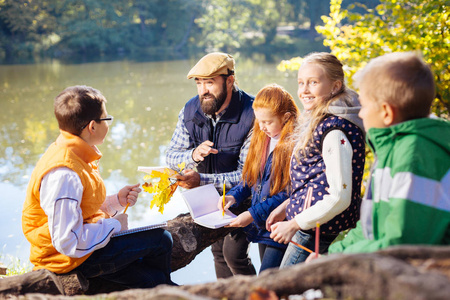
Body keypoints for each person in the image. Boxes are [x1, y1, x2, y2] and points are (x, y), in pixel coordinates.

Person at [22, 85, 175, 288]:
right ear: (92, 126)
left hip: (77, 250)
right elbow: (68, 242)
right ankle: (162, 287)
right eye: (107, 118)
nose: (109, 124)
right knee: (161, 240)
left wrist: (115, 202)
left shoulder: (75, 151)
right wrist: (115, 225)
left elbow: (80, 208)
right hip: (63, 258)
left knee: (150, 279)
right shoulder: (64, 174)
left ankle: (159, 286)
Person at [310, 52, 449, 257]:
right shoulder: (391, 148)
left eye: (364, 105)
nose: (361, 113)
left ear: (386, 112)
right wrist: (333, 254)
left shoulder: (415, 156)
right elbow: (369, 226)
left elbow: (402, 244)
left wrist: (341, 259)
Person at [267, 52, 366, 267]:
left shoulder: (335, 130)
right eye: (301, 83)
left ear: (335, 86)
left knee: (287, 290)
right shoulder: (319, 121)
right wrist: (287, 205)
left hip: (319, 232)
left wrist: (293, 223)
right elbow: (314, 180)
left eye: (313, 82)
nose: (304, 90)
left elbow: (340, 197)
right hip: (310, 226)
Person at [166, 52, 256, 278]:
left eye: (210, 82)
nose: (203, 90)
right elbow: (171, 156)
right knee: (218, 254)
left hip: (245, 198)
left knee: (234, 254)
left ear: (230, 80)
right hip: (207, 200)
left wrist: (201, 180)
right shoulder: (189, 110)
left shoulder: (253, 113)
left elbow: (249, 175)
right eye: (199, 83)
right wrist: (193, 155)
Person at [219, 84, 299, 273]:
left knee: (269, 275)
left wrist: (253, 214)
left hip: (281, 223)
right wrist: (233, 196)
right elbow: (250, 178)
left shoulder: (295, 145)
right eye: (259, 121)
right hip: (262, 221)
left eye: (268, 122)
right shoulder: (262, 138)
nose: (261, 127)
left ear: (286, 117)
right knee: (236, 258)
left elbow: (289, 193)